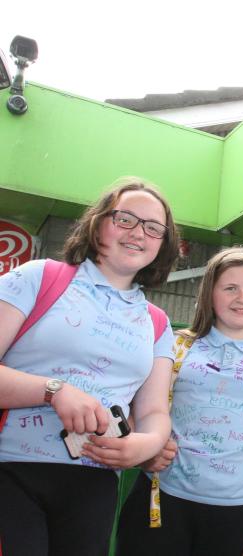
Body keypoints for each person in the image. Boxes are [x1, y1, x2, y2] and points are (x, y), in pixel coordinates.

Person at [0, 177, 179, 555]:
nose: (137, 233)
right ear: (98, 223)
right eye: (125, 219)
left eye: (153, 227)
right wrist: (53, 391)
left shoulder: (158, 323)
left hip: (94, 485)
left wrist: (145, 445)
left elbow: (153, 411)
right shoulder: (38, 277)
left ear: (163, 243)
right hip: (11, 469)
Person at [117, 248, 243, 555]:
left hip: (237, 513)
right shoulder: (174, 345)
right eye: (230, 288)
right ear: (210, 294)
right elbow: (137, 412)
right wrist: (145, 450)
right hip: (162, 499)